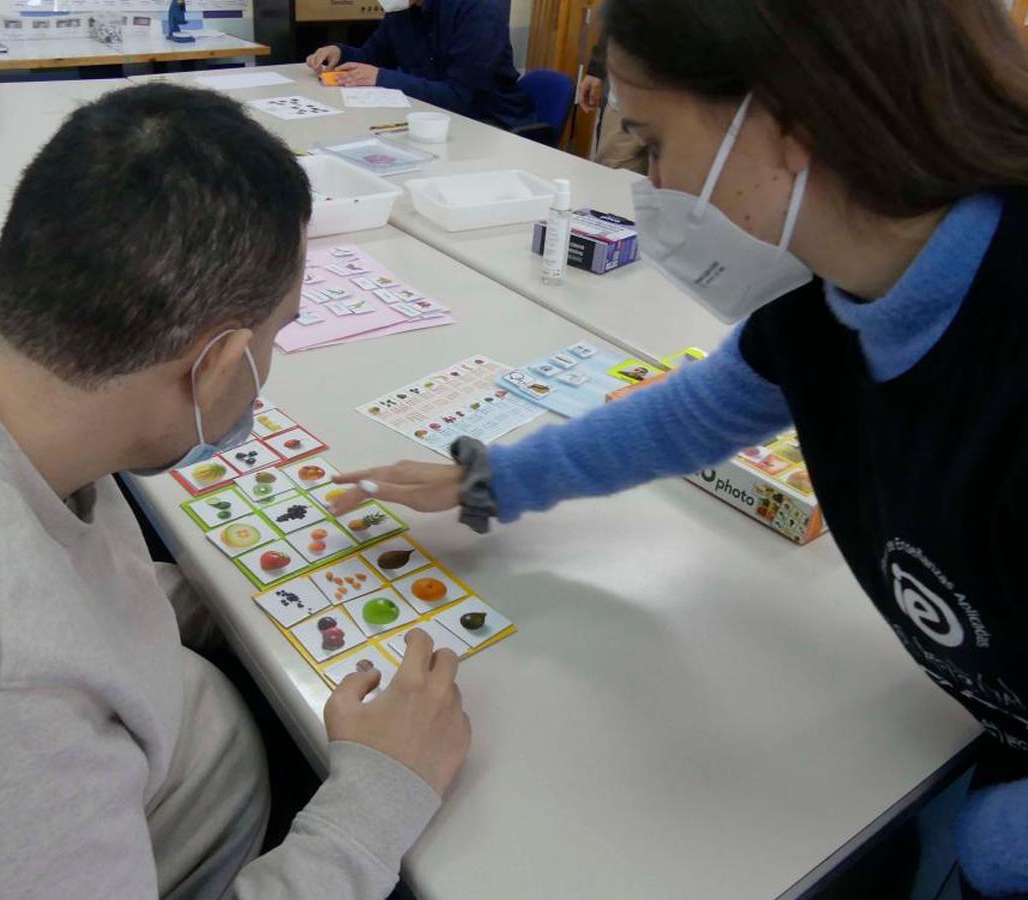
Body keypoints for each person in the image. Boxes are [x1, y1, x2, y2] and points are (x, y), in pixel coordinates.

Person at [328, 1, 1028, 895]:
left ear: (792, 125)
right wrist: (488, 479)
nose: (644, 186)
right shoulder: (828, 303)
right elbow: (687, 417)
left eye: (650, 143)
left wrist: (995, 840)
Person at [0, 83, 470, 898]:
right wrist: (379, 797)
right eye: (279, 333)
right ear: (220, 364)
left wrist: (233, 598)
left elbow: (62, 582)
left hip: (134, 766)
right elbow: (6, 669)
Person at [305, 0, 536, 131]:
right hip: (427, 115)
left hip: (487, 125)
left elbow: (459, 97)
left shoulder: (479, 9)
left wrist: (381, 77)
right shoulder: (402, 11)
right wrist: (340, 53)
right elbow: (372, 57)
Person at [578, 30, 647, 172]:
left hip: (690, 97)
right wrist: (596, 69)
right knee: (611, 174)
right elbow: (617, 21)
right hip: (633, 89)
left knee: (677, 184)